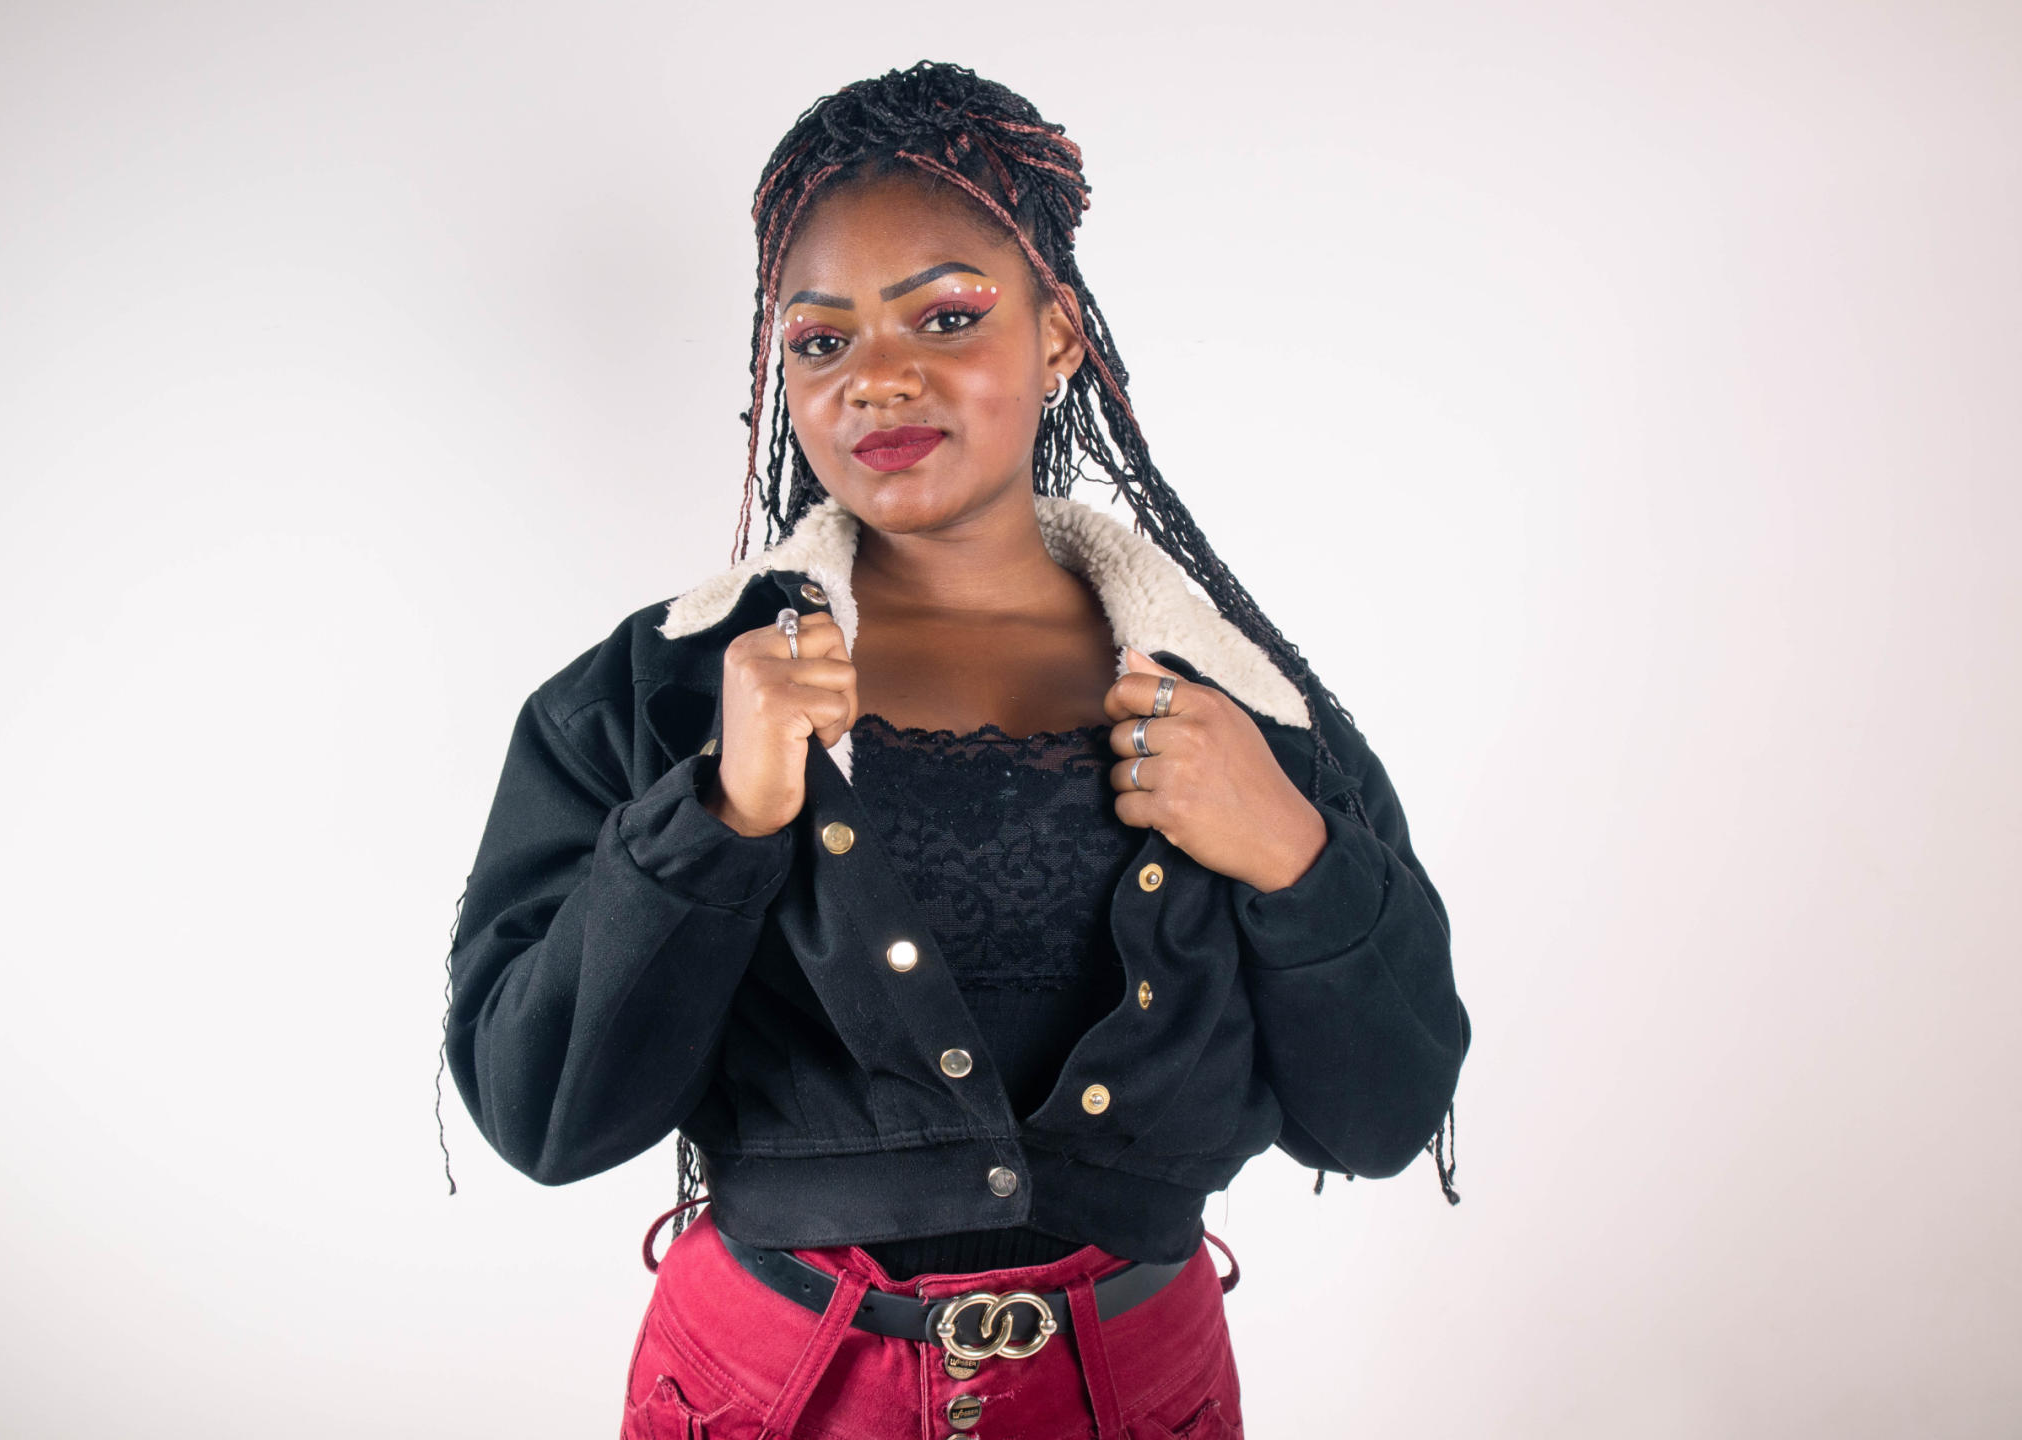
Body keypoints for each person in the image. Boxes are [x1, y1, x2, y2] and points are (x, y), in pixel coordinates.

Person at [441, 59, 1470, 1440]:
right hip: (770, 1395)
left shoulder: (1243, 698)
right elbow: (542, 1118)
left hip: (1137, 1396)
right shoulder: (658, 691)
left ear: (1059, 336)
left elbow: (1382, 1118)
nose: (878, 378)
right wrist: (718, 818)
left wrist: (1293, 853)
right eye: (821, 342)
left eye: (947, 316)